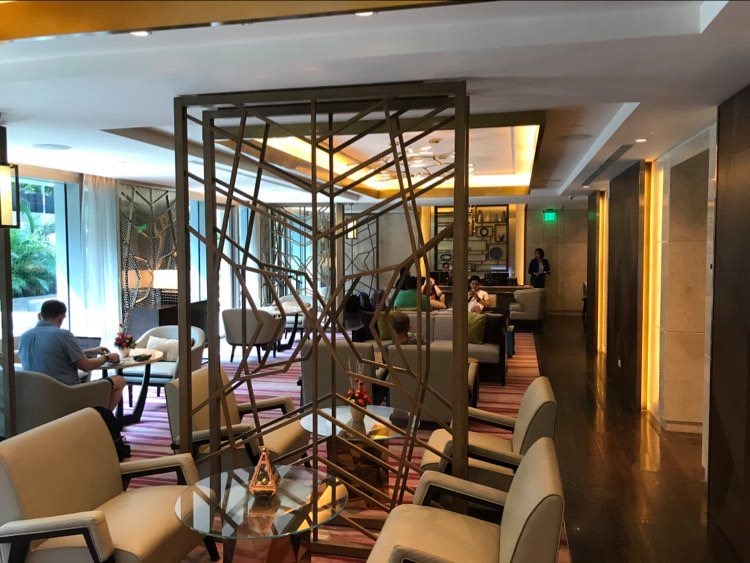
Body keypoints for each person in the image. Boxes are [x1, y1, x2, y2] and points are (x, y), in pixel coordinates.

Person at [18, 299, 126, 410]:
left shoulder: (24, 337)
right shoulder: (62, 334)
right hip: (67, 393)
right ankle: (101, 417)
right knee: (119, 381)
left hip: (36, 396)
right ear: (61, 317)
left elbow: (54, 354)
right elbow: (86, 366)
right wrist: (106, 357)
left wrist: (91, 351)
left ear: (40, 315)